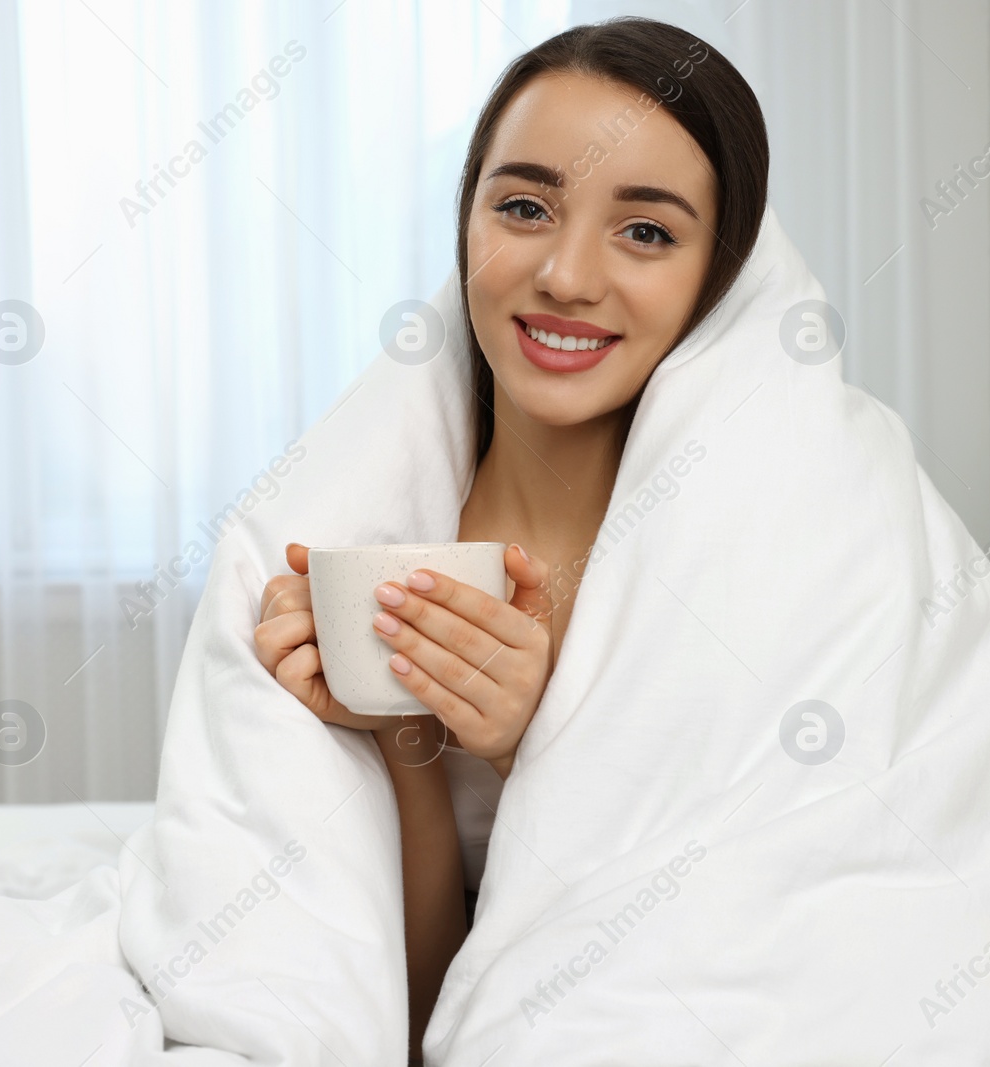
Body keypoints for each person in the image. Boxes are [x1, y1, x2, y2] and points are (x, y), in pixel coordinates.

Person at [250, 17, 763, 1058]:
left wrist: (540, 751)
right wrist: (401, 736)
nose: (567, 276)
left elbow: (725, 968)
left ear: (720, 273)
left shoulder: (754, 550)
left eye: (647, 230)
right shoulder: (387, 534)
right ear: (465, 226)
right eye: (524, 207)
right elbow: (431, 1017)